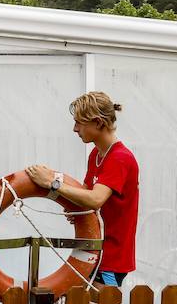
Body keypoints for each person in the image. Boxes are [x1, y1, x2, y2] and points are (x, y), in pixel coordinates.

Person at [23, 91, 139, 289]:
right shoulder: (96, 153)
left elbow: (95, 199)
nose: (75, 129)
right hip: (94, 250)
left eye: (79, 123)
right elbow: (86, 192)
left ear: (98, 123)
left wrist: (52, 183)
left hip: (112, 258)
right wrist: (76, 208)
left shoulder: (120, 158)